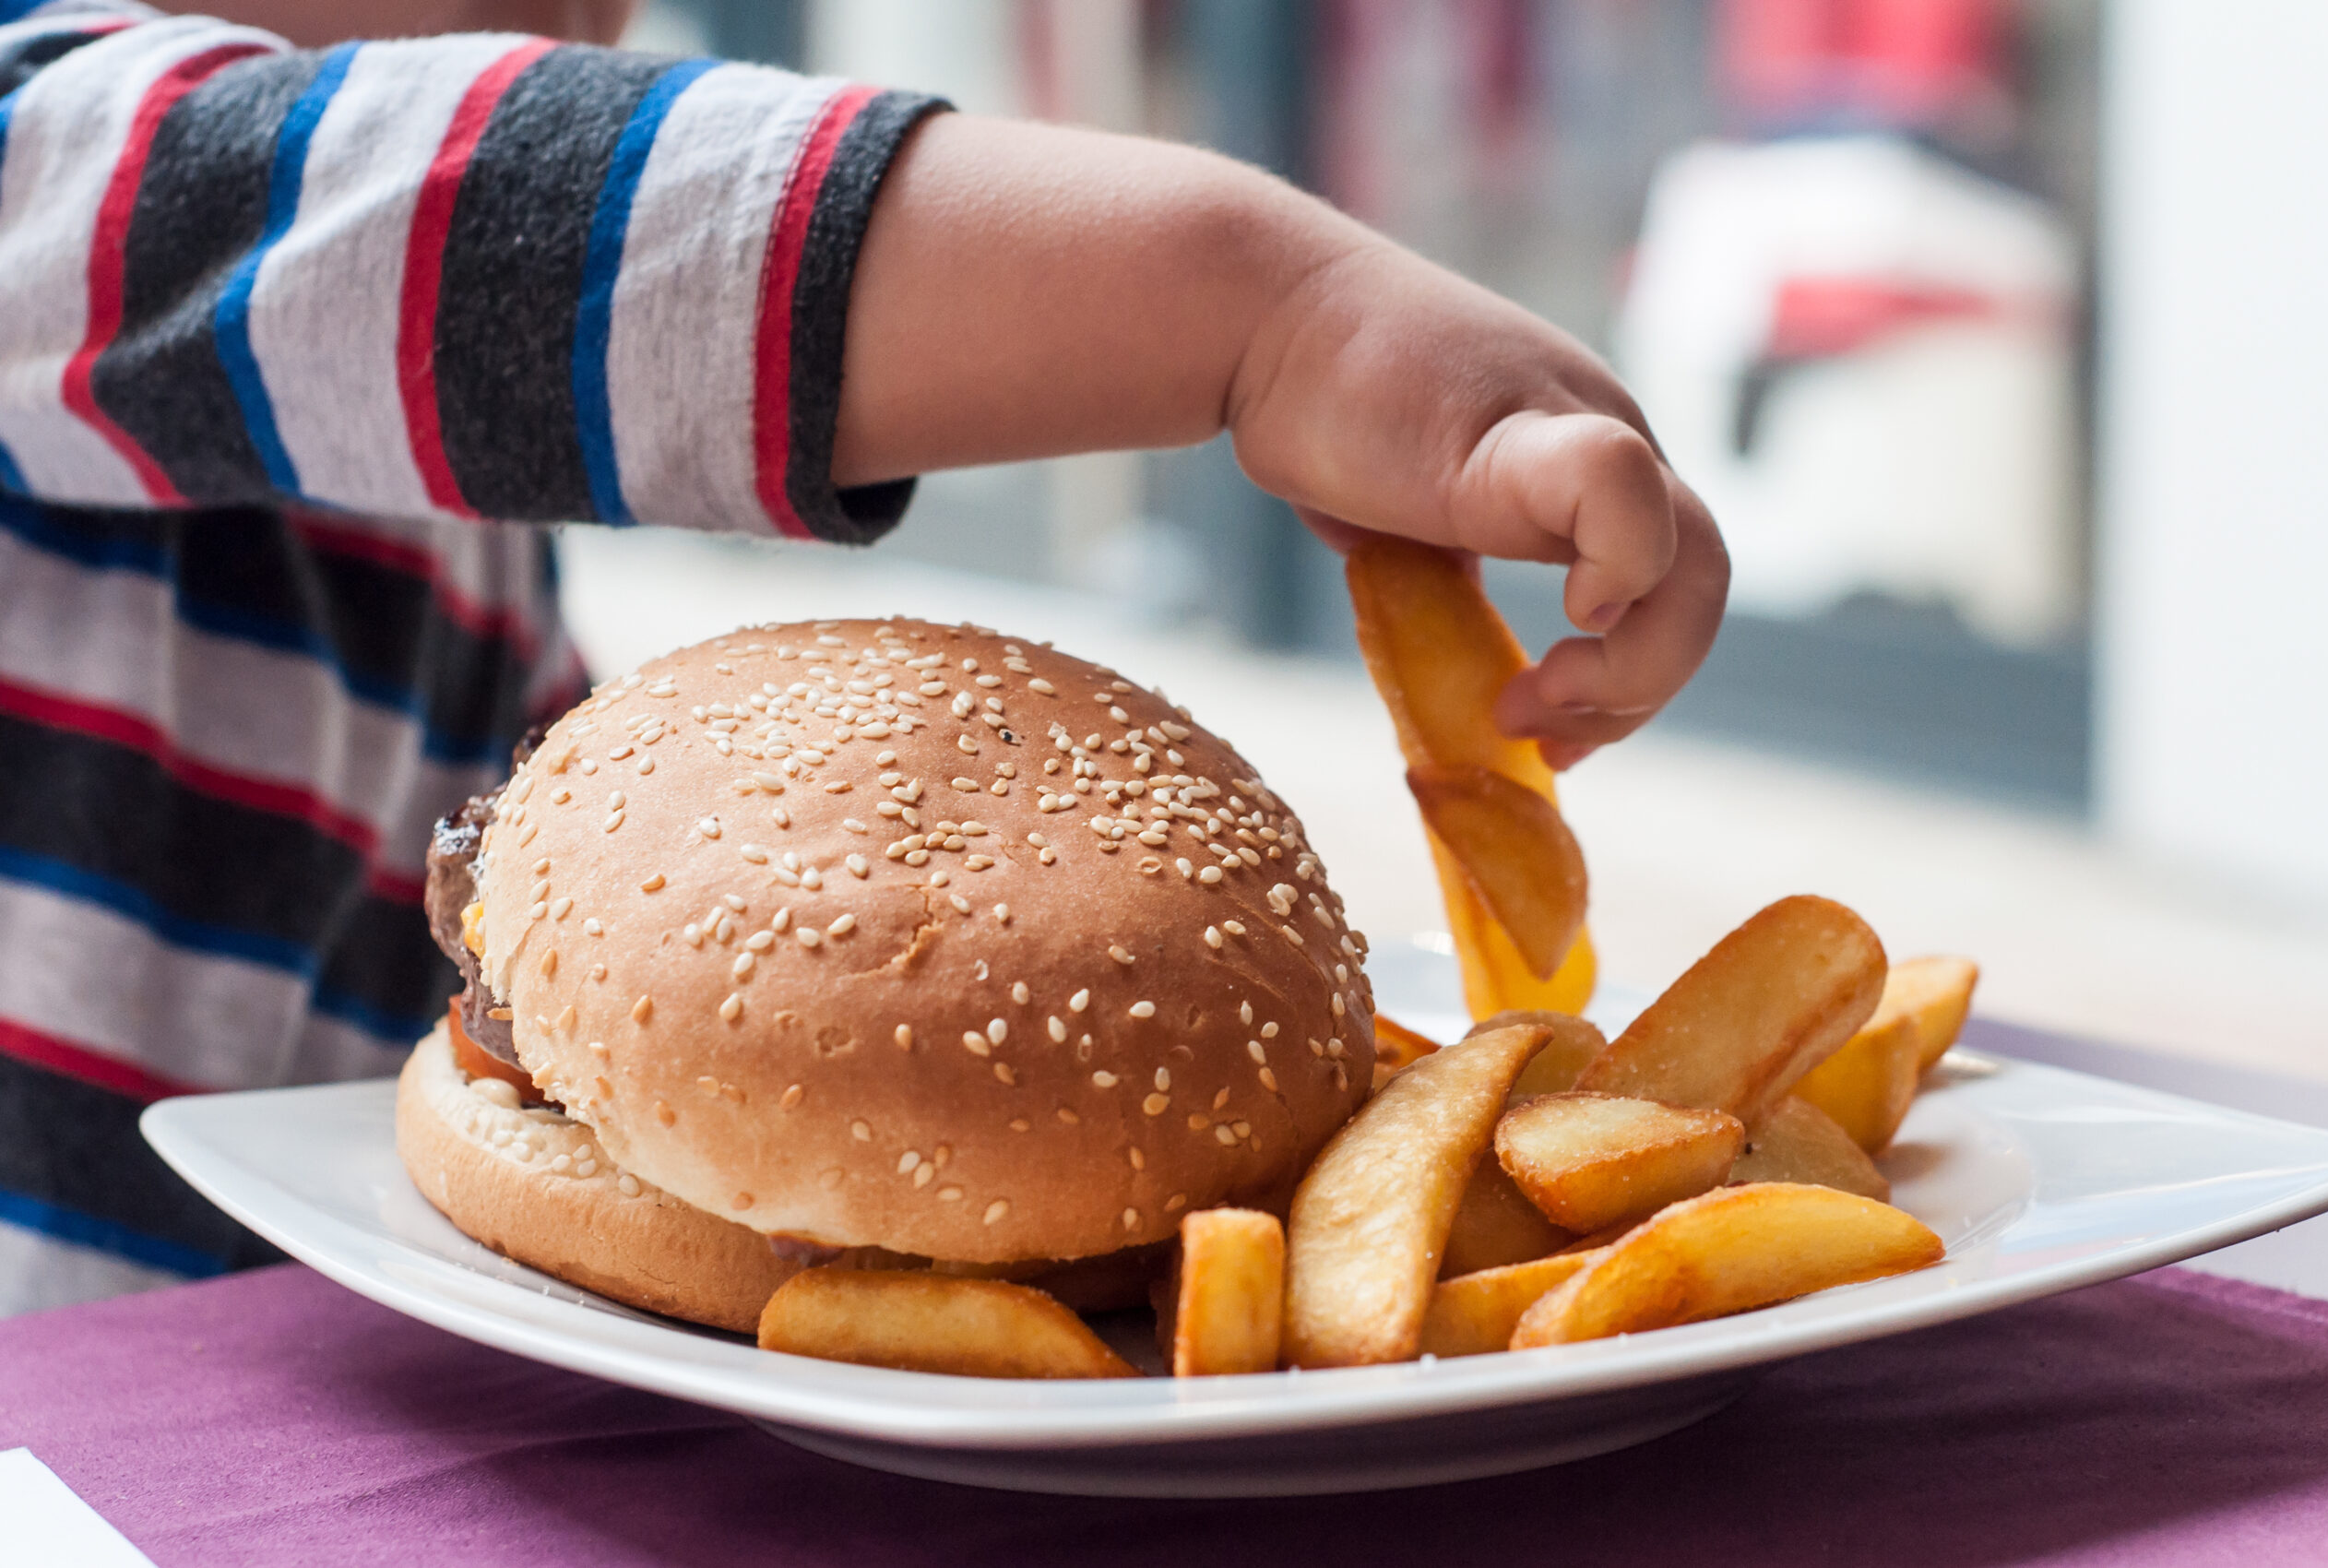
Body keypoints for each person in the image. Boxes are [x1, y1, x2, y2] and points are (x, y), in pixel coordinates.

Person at [0, 0, 1728, 1313]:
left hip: (303, 1363)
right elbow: (370, 210)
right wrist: (1262, 315)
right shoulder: (51, 173)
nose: (574, 26)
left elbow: (556, 1001)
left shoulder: (444, 519)